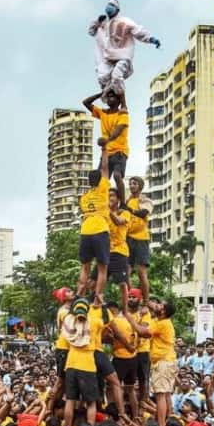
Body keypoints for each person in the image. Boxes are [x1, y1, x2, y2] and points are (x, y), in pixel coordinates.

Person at [87, 0, 160, 96]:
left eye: (112, 5)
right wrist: (97, 21)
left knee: (116, 76)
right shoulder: (103, 23)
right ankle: (111, 101)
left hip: (123, 55)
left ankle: (123, 103)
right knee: (103, 78)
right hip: (109, 57)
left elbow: (138, 31)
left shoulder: (124, 21)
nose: (109, 7)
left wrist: (151, 39)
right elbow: (91, 31)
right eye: (108, 5)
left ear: (117, 10)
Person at [124, 299, 177, 426]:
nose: (156, 305)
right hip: (166, 361)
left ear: (163, 311)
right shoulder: (159, 321)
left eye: (159, 305)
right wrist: (146, 301)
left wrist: (130, 319)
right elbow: (151, 305)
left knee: (160, 395)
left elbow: (143, 332)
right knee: (165, 394)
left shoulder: (162, 323)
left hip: (163, 362)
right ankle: (167, 421)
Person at [76, 144, 110, 304]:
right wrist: (104, 149)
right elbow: (105, 167)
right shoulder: (103, 189)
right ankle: (98, 297)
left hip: (85, 231)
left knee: (85, 267)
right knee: (102, 267)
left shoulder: (84, 197)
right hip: (100, 229)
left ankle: (79, 295)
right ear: (100, 180)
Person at [83, 90, 129, 204]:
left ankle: (122, 204)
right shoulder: (103, 113)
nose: (109, 99)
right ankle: (99, 202)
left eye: (112, 97)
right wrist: (101, 94)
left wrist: (107, 140)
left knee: (117, 176)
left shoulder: (122, 114)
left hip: (120, 151)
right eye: (108, 97)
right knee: (99, 180)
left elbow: (118, 130)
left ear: (118, 100)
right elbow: (86, 102)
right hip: (106, 153)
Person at [125, 177, 152, 301]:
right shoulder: (128, 200)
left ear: (140, 186)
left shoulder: (145, 200)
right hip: (128, 238)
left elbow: (143, 214)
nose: (131, 186)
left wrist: (130, 210)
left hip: (141, 239)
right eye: (130, 184)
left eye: (134, 183)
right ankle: (131, 296)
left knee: (141, 273)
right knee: (126, 272)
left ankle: (146, 301)